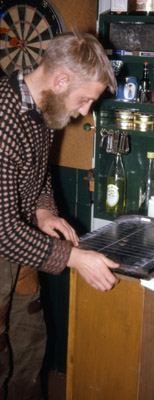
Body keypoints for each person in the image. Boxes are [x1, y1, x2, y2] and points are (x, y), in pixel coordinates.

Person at [0, 31, 119, 400]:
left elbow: (38, 173)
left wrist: (44, 210)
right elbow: (1, 230)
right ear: (61, 80)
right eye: (85, 100)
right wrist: (75, 258)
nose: (85, 112)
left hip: (22, 249)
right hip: (7, 239)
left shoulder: (43, 109)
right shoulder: (4, 119)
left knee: (30, 344)